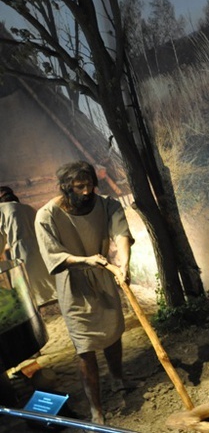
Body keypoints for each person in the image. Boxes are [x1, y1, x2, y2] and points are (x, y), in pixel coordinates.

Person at [34, 161, 134, 425]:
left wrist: (124, 262)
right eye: (80, 187)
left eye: (90, 184)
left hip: (103, 277)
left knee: (113, 333)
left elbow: (121, 232)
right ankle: (96, 410)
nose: (87, 191)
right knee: (84, 347)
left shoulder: (105, 204)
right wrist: (85, 260)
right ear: (66, 188)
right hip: (74, 287)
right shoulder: (47, 216)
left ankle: (117, 378)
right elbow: (53, 255)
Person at [0, 186, 57, 307]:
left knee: (26, 287)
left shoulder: (2, 209)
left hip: (23, 250)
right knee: (50, 282)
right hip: (41, 248)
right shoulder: (29, 208)